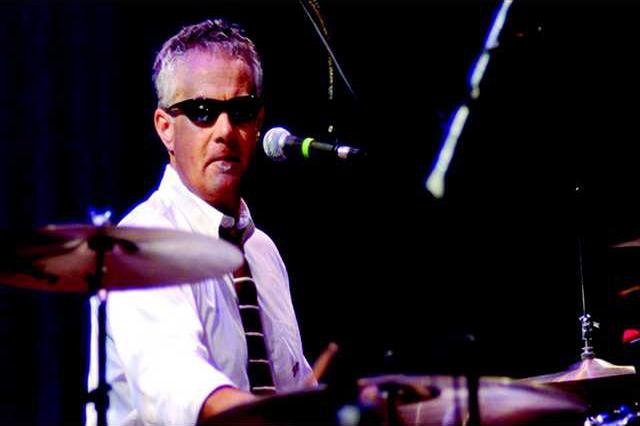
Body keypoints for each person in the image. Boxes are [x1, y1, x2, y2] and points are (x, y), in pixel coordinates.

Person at [86, 18, 315, 426]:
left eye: (241, 111)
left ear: (258, 122)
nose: (226, 131)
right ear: (165, 128)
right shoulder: (143, 243)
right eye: (204, 112)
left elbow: (298, 394)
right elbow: (182, 390)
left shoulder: (263, 252)